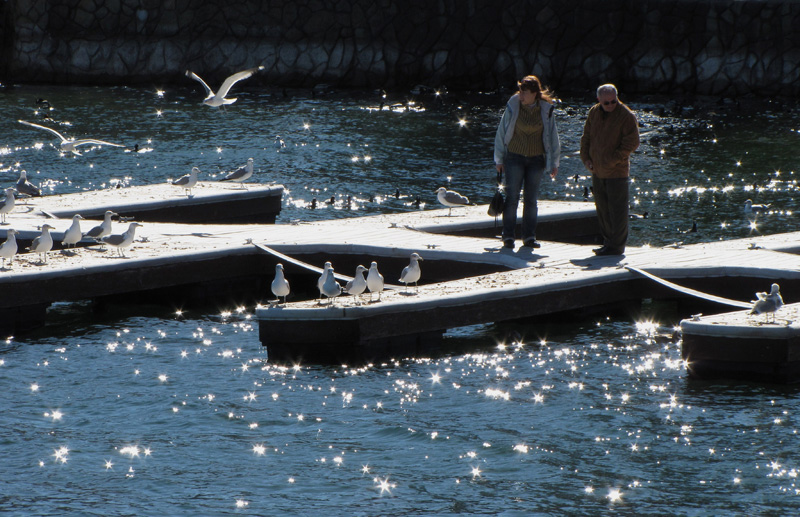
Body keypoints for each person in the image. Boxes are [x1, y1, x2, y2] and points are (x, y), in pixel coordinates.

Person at [494, 75, 561, 250]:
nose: (521, 95)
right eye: (520, 92)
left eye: (524, 93)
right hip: (514, 157)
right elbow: (501, 133)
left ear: (534, 93)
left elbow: (553, 137)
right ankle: (508, 236)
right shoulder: (513, 105)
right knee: (512, 197)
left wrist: (554, 162)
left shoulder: (546, 109)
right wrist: (499, 159)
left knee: (531, 199)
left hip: (537, 160)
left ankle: (529, 237)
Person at [579, 83, 640, 256]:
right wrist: (586, 159)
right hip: (597, 170)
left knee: (617, 212)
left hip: (617, 172)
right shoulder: (593, 112)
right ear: (599, 100)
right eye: (606, 103)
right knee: (603, 209)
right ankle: (608, 243)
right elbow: (586, 137)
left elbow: (632, 142)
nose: (611, 105)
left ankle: (617, 246)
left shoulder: (626, 115)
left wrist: (613, 160)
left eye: (613, 101)